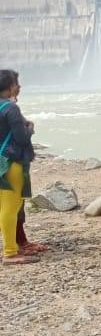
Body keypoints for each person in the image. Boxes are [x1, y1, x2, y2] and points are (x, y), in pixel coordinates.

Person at [0, 70, 38, 264]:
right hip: (11, 163)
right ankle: (9, 252)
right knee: (11, 207)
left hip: (1, 162)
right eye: (17, 83)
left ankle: (12, 247)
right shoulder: (11, 109)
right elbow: (21, 138)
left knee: (4, 206)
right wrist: (30, 128)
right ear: (8, 86)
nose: (19, 86)